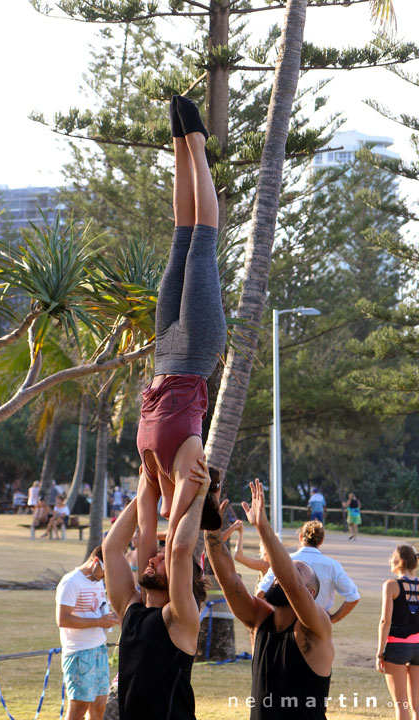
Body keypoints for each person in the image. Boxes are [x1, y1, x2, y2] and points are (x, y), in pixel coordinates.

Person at [136, 95, 227, 577]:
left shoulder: (152, 475)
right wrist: (196, 503)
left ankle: (179, 142)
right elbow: (174, 543)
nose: (155, 554)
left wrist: (141, 566)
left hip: (163, 355)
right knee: (202, 243)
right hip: (195, 352)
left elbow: (144, 532)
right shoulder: (191, 470)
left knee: (180, 235)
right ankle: (196, 143)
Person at [205, 479, 334, 719]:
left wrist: (263, 527)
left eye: (297, 571)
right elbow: (229, 580)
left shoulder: (316, 627)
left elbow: (293, 586)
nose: (279, 577)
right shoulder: (260, 618)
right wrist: (211, 533)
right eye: (282, 572)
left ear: (312, 593)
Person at [102, 457, 210, 720]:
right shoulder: (131, 607)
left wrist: (199, 496)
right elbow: (112, 548)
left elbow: (179, 547)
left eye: (162, 561)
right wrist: (147, 484)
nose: (152, 559)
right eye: (156, 556)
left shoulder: (179, 618)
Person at [56, 545, 120, 720]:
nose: (106, 576)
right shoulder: (71, 582)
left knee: (99, 706)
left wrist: (111, 618)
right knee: (79, 708)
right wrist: (99, 621)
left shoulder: (97, 581)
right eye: (105, 571)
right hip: (79, 654)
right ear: (96, 562)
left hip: (99, 649)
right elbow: (63, 619)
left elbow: (97, 610)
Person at [257, 520, 360, 622]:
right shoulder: (333, 566)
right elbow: (353, 596)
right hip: (318, 622)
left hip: (287, 622)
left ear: (300, 537)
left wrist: (277, 616)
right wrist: (332, 619)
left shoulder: (283, 560)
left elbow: (260, 594)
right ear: (321, 540)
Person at [376, 544, 419, 720]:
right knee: (417, 705)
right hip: (418, 646)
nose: (390, 560)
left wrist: (380, 653)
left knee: (401, 705)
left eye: (392, 556)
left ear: (400, 561)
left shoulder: (391, 585)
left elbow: (385, 621)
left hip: (397, 646)